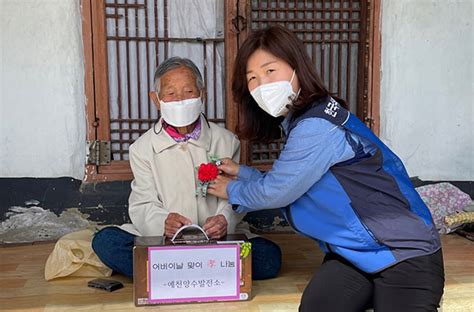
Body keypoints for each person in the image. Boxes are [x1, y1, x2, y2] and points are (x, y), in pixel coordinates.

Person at [207, 26, 444, 312]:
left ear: (296, 66)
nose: (262, 85)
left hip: (404, 251)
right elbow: (294, 179)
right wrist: (244, 174)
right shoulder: (307, 116)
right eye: (252, 79)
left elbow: (277, 192)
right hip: (352, 254)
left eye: (270, 71)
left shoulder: (315, 125)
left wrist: (232, 189)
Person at [92, 57, 281, 281]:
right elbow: (143, 203)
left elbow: (236, 196)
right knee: (105, 241)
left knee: (270, 258)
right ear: (156, 99)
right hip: (165, 242)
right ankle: (209, 270)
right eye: (170, 93)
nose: (180, 100)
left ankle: (172, 272)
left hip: (216, 241)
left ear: (203, 94)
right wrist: (164, 223)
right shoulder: (142, 149)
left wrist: (223, 220)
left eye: (189, 91)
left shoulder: (227, 141)